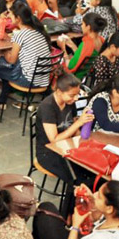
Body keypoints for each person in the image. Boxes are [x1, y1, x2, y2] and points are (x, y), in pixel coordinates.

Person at [35, 73, 96, 216]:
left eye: (77, 95)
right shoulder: (47, 107)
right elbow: (54, 139)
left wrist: (83, 132)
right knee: (75, 179)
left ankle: (84, 210)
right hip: (48, 152)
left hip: (66, 147)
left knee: (91, 170)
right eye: (72, 95)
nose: (75, 98)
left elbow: (73, 126)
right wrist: (79, 123)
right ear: (59, 91)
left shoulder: (69, 103)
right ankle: (67, 216)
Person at [0, 0, 53, 114]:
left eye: (11, 16)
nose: (9, 18)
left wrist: (4, 51)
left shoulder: (20, 35)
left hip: (29, 81)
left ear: (18, 18)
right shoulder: (38, 32)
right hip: (42, 80)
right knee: (4, 66)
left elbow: (11, 60)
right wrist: (6, 52)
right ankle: (1, 101)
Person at [57, 12, 106, 79]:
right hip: (88, 76)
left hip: (77, 78)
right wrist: (72, 45)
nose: (81, 26)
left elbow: (70, 66)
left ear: (88, 27)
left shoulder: (87, 44)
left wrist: (63, 49)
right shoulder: (101, 40)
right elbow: (82, 56)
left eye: (82, 24)